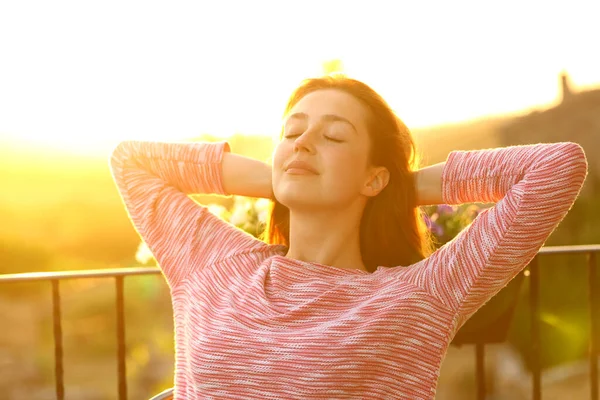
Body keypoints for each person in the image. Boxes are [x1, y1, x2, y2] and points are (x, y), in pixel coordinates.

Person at [110, 75, 588, 399]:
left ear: (374, 177)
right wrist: (275, 178)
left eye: (333, 136)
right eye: (291, 132)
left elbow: (556, 167)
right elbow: (131, 161)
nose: (301, 142)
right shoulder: (216, 266)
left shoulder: (414, 298)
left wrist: (399, 186)